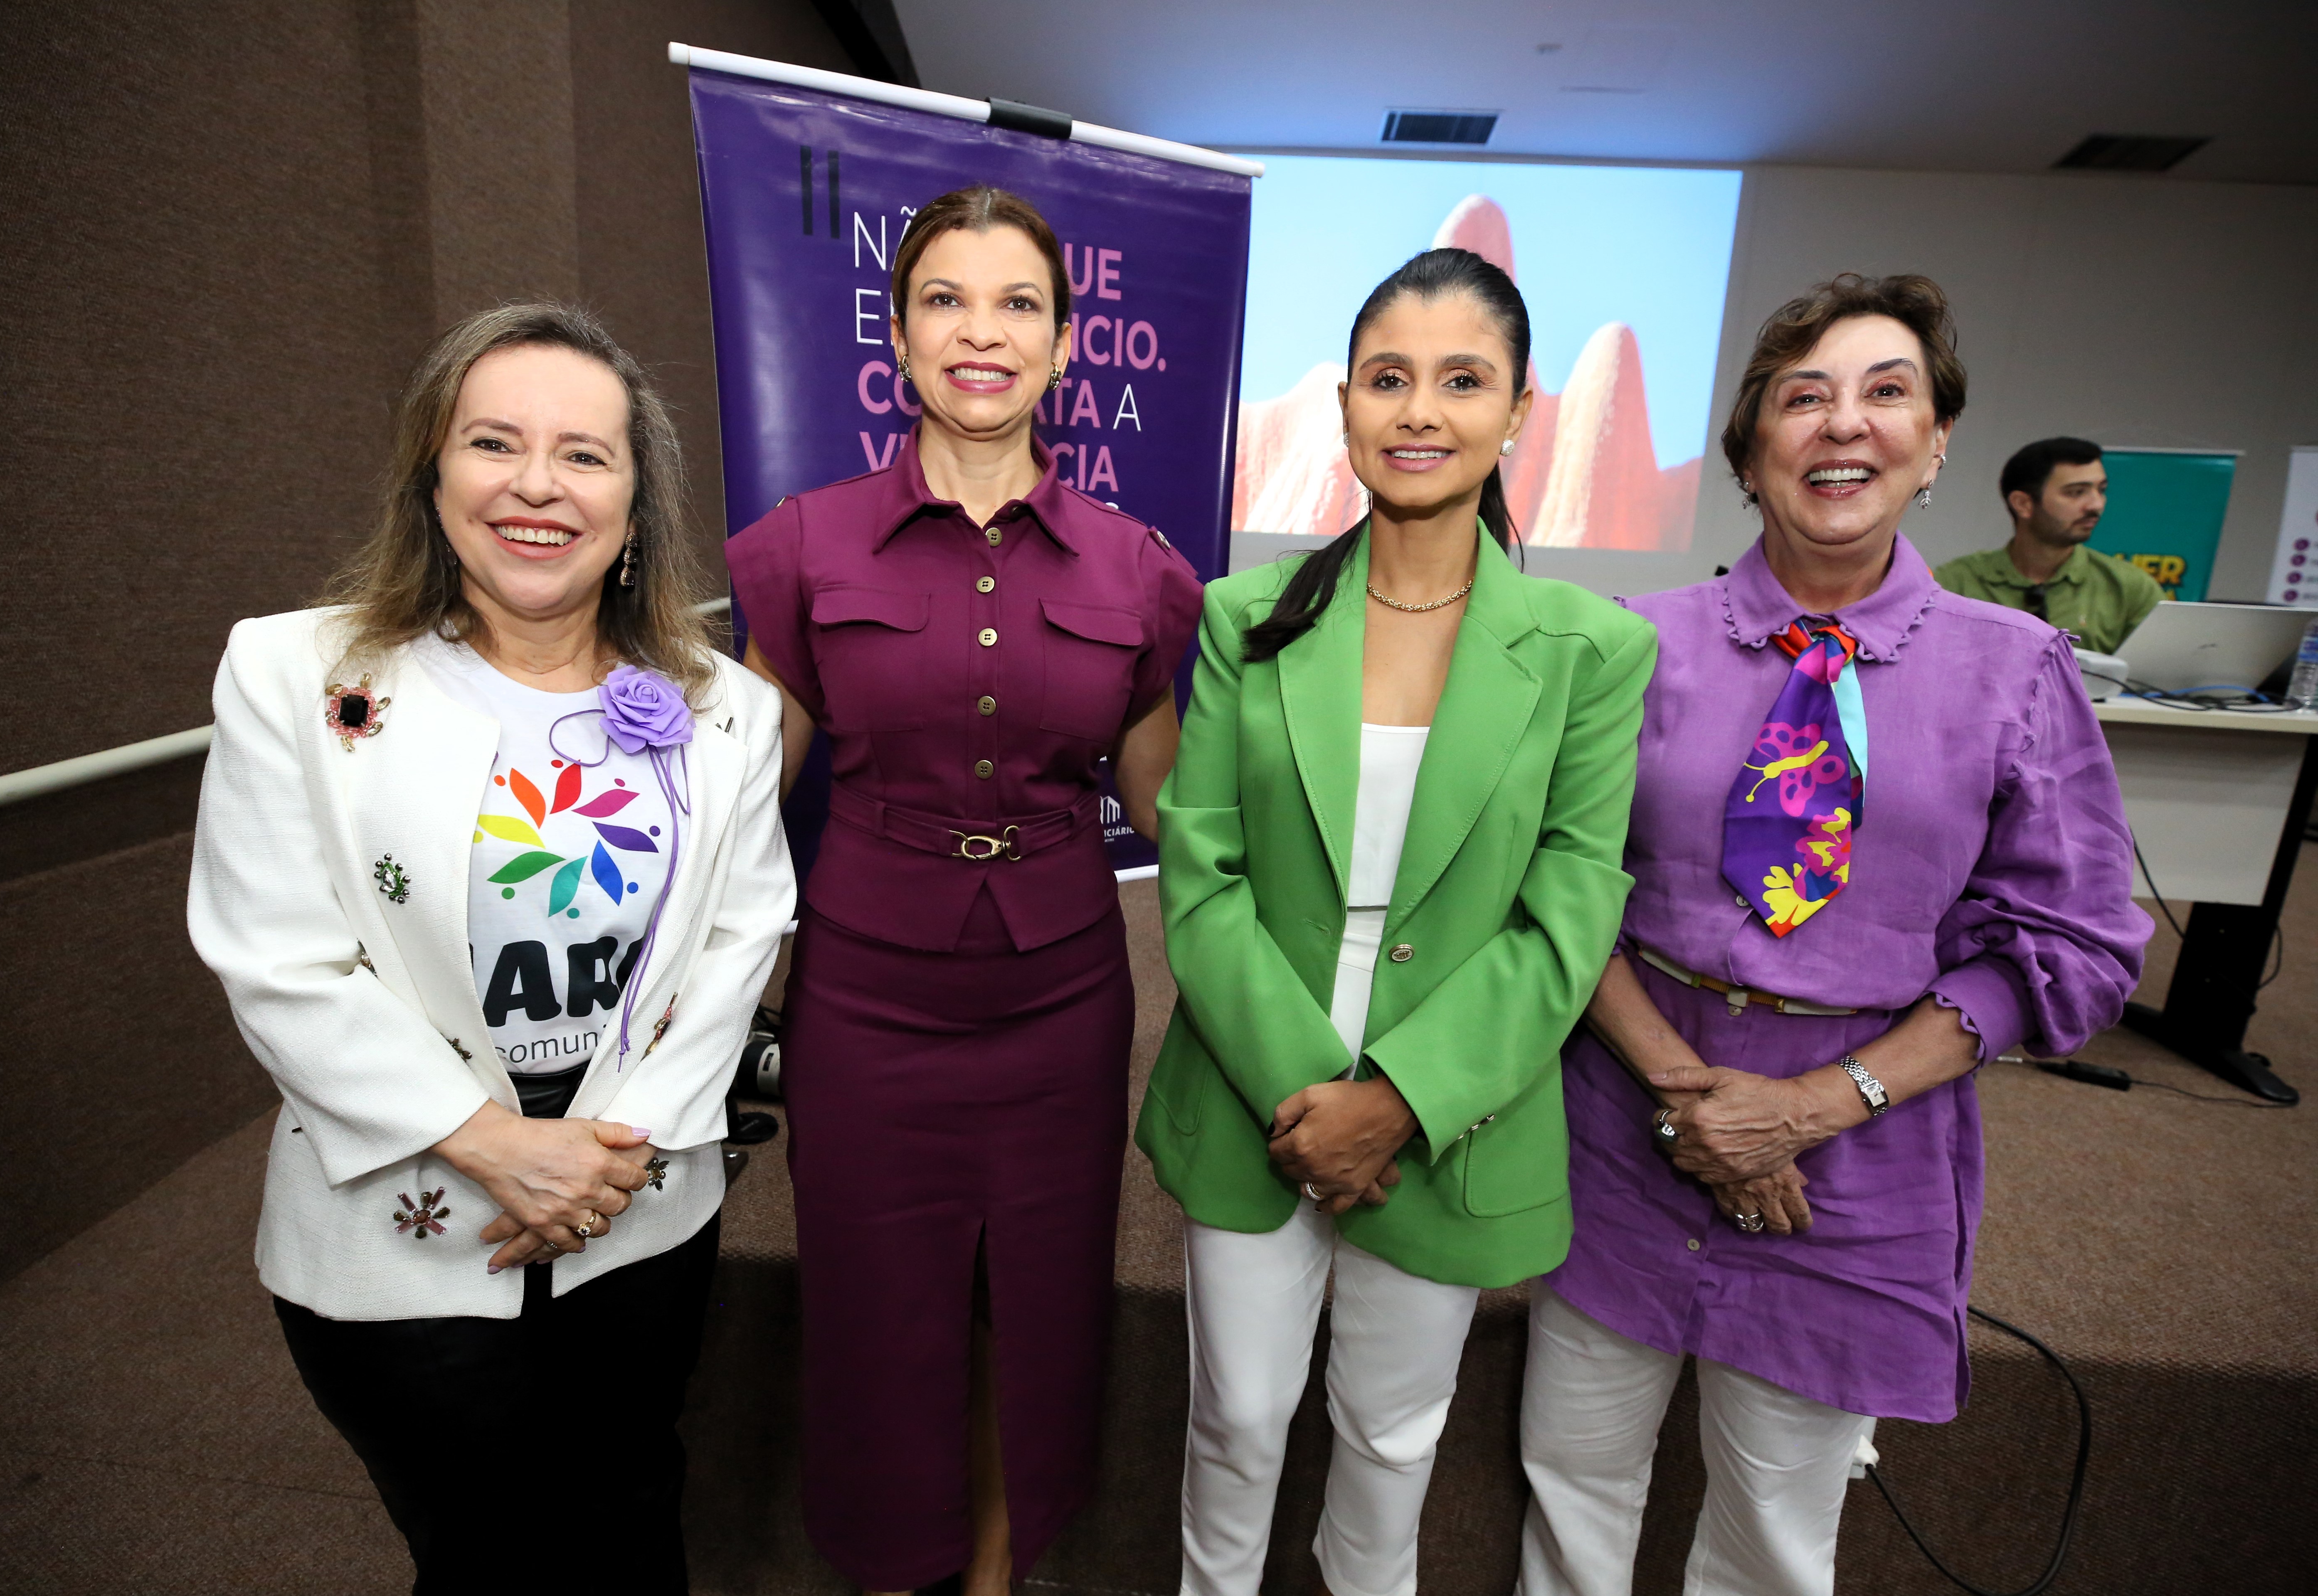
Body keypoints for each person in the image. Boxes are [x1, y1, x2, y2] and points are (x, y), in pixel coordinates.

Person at [1518, 275, 2150, 1596]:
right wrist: (1691, 1098)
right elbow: (1553, 887)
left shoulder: (2017, 670)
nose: (1843, 424)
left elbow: (2076, 943)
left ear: (1938, 444)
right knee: (1572, 1479)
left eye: (1887, 393)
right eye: (1804, 397)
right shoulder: (1633, 647)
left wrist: (1808, 1106)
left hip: (1862, 1150)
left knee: (1775, 1531)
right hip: (1624, 1116)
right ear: (1752, 451)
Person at [187, 303, 795, 1595]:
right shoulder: (295, 676)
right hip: (403, 1227)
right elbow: (278, 952)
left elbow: (743, 934)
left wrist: (606, 1158)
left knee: (634, 1510)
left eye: (584, 454)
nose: (537, 484)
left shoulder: (728, 712)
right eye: (495, 443)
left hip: (638, 1210)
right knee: (481, 1549)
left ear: (636, 505)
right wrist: (499, 1146)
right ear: (433, 475)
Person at [1139, 248, 1656, 1596]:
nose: (1420, 411)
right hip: (1255, 1083)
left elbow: (1570, 910)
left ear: (1519, 412)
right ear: (1347, 405)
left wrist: (1400, 1103)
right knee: (1239, 1419)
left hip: (1457, 1104)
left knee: (1392, 1436)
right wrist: (1311, 1095)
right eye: (1388, 379)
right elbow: (1202, 872)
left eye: (1462, 381)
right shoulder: (1246, 620)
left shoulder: (1592, 649)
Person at [725, 185, 1201, 1596]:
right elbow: (739, 804)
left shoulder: (1139, 571)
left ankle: (996, 1575)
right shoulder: (803, 548)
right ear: (898, 334)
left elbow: (1171, 809)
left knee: (1040, 1313)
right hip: (865, 1002)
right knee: (879, 1320)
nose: (981, 333)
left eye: (1018, 305)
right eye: (945, 300)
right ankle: (896, 1574)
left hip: (1062, 1003)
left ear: (1066, 346)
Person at [1933, 436, 2162, 652]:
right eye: (2077, 493)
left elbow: (2159, 675)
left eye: (2101, 490)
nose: (2096, 505)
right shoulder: (1956, 583)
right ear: (2023, 504)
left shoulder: (2130, 588)